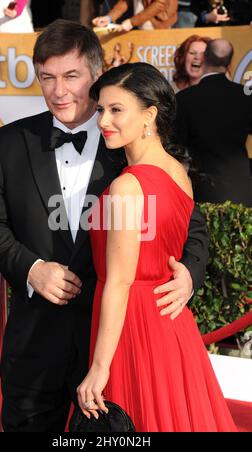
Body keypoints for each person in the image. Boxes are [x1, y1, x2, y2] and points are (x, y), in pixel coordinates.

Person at [0, 19, 209, 432]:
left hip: (115, 348)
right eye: (47, 77)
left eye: (71, 76)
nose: (58, 91)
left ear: (97, 75)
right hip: (34, 345)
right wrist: (31, 268)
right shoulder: (9, 143)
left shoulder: (128, 143)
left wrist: (189, 271)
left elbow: (191, 221)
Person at [76, 62, 237, 432]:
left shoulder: (126, 187)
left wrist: (100, 367)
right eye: (101, 109)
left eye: (117, 110)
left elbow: (119, 281)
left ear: (149, 114)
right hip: (170, 324)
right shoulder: (178, 172)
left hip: (130, 326)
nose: (103, 120)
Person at [175, 39, 252, 206]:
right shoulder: (246, 96)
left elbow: (176, 147)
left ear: (204, 58)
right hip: (242, 187)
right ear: (230, 62)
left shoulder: (184, 99)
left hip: (202, 190)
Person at [93, 0, 178, 31]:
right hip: (141, 23)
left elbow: (159, 4)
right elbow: (125, 1)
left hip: (159, 24)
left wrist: (132, 22)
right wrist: (109, 18)